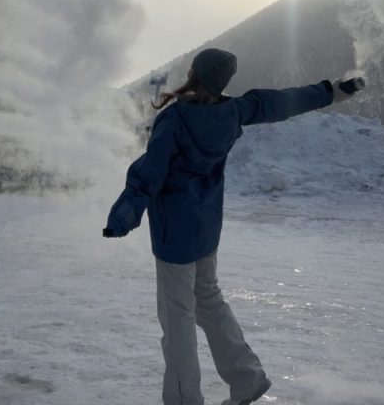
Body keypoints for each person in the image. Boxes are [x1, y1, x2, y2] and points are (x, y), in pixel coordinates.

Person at [104, 47, 364, 405]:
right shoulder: (234, 111)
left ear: (194, 72)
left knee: (178, 319)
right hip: (207, 229)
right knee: (209, 301)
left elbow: (149, 175)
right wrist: (333, 92)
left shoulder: (176, 119)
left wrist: (123, 216)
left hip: (174, 236)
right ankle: (247, 378)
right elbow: (284, 101)